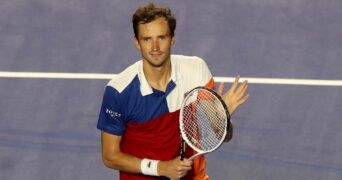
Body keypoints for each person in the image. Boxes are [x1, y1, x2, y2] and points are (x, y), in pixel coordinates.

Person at [97, 3, 249, 180]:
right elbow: (110, 156)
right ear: (137, 43)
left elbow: (219, 136)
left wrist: (223, 119)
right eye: (147, 39)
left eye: (161, 37)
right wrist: (160, 168)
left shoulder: (196, 71)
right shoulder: (118, 91)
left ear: (172, 39)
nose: (155, 47)